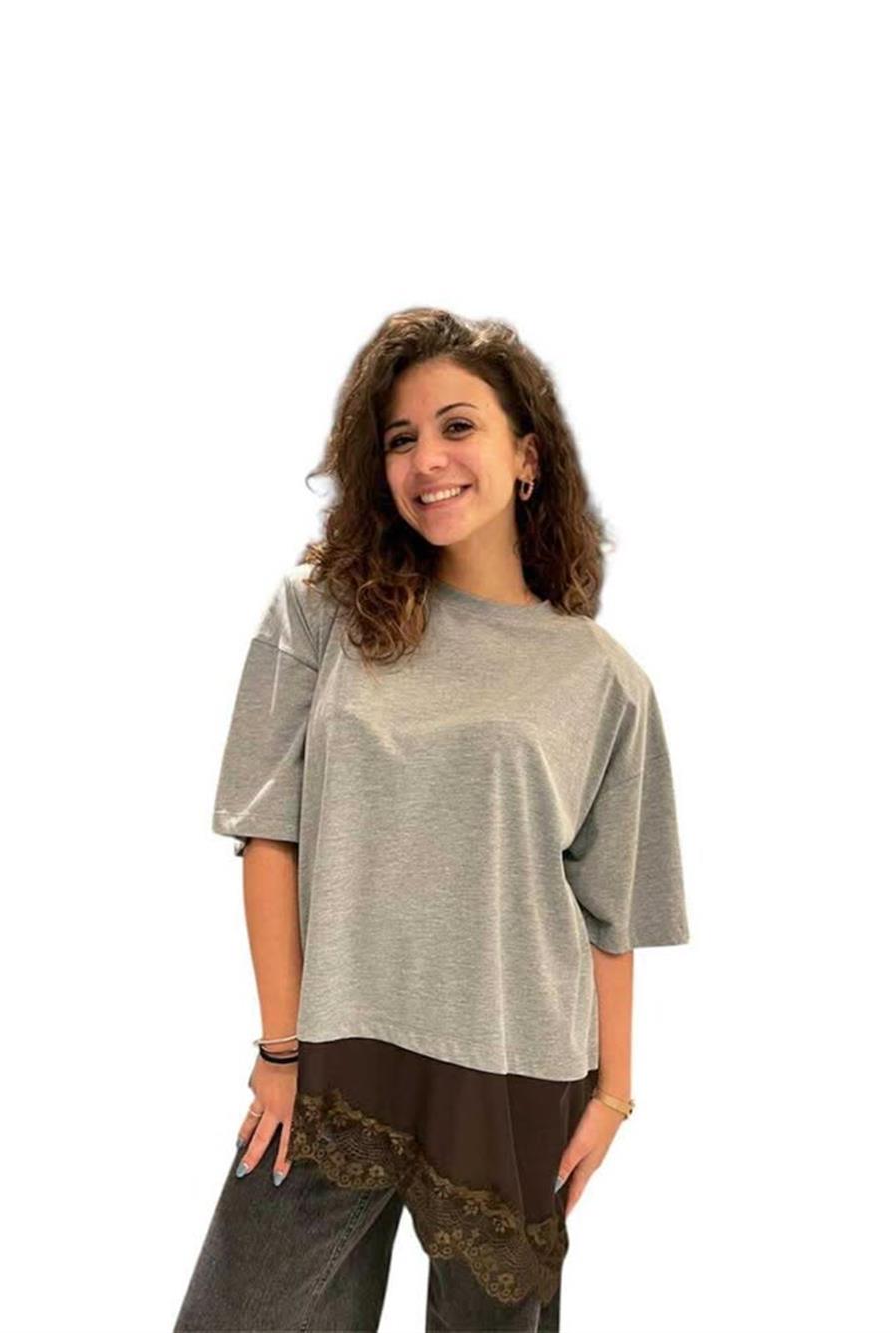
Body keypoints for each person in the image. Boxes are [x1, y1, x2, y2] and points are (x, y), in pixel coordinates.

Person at [172, 307, 691, 1333]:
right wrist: (282, 1048)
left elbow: (610, 909)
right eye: (400, 438)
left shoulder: (604, 680)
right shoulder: (320, 612)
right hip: (335, 1053)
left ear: (526, 456)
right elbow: (268, 834)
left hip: (516, 1066)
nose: (427, 459)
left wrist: (613, 1095)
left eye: (458, 426)